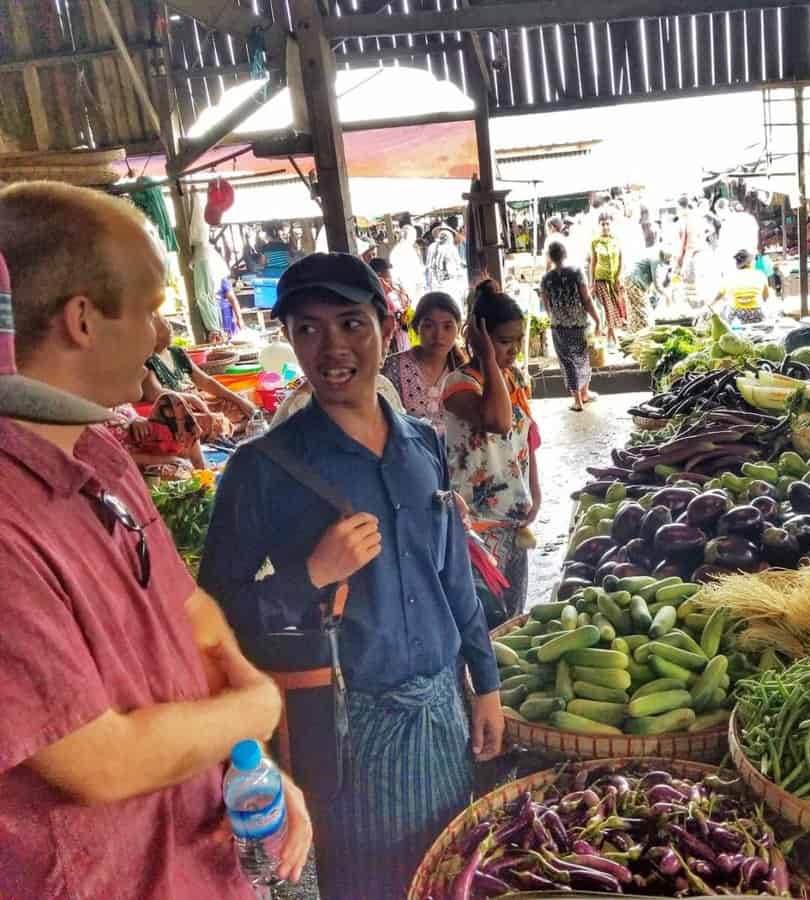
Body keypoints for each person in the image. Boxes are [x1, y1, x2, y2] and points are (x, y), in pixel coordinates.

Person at [0, 180, 312, 898]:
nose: (166, 336)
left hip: (198, 859)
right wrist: (258, 707)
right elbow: (98, 760)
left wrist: (246, 757)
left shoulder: (101, 452)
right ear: (82, 319)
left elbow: (189, 611)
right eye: (150, 310)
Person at [199, 253, 501, 898]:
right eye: (307, 329)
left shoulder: (422, 445)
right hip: (345, 735)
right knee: (371, 884)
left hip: (442, 717)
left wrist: (487, 683)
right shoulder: (262, 469)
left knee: (452, 874)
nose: (332, 347)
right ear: (289, 338)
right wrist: (309, 575)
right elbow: (209, 618)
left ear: (388, 327)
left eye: (350, 323)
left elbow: (455, 580)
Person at [443, 281, 540, 620]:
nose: (513, 350)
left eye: (517, 340)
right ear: (477, 337)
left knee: (513, 615)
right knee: (484, 616)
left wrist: (535, 494)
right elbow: (497, 420)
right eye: (502, 341)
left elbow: (528, 439)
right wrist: (486, 359)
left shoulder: (514, 377)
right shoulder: (459, 384)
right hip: (476, 519)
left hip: (512, 515)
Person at [142, 312, 256, 431]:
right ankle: (234, 428)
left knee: (240, 401)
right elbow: (153, 393)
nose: (169, 327)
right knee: (205, 422)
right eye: (163, 325)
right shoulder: (148, 361)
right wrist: (190, 398)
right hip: (183, 412)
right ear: (151, 335)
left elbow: (206, 382)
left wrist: (237, 400)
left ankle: (230, 426)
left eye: (167, 322)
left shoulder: (177, 353)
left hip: (201, 404)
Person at [381, 291, 466, 434]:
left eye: (447, 326)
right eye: (429, 326)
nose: (439, 335)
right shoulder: (393, 367)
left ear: (458, 329)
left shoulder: (463, 372)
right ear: (416, 327)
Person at [541, 243, 602, 411]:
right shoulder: (576, 272)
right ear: (565, 253)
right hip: (579, 324)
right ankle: (585, 392)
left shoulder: (546, 279)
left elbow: (546, 304)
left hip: (559, 327)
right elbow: (587, 300)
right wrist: (597, 320)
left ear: (550, 257)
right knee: (583, 358)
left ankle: (578, 400)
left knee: (567, 362)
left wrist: (556, 316)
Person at [590, 214, 626, 343]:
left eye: (607, 224)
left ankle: (611, 337)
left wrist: (619, 277)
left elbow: (621, 260)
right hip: (600, 280)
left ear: (611, 225)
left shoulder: (617, 240)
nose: (605, 226)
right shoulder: (595, 242)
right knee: (609, 309)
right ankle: (612, 338)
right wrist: (592, 283)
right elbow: (593, 263)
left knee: (615, 309)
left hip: (614, 281)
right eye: (603, 224)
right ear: (599, 226)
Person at [714, 248, 770, 324]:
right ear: (749, 262)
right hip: (757, 314)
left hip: (737, 315)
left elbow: (720, 294)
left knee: (725, 308)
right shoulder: (760, 274)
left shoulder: (730, 276)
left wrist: (711, 304)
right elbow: (766, 297)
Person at [369, 256, 411, 353]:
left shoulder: (389, 291)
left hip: (399, 338)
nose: (390, 276)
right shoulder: (378, 295)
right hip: (391, 343)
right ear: (379, 275)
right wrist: (399, 319)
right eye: (387, 272)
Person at [426, 224, 466, 302]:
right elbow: (458, 266)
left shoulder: (432, 247)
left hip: (435, 284)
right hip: (449, 284)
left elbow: (428, 266)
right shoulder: (451, 248)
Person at [388, 223, 426, 300]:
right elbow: (415, 269)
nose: (414, 239)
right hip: (409, 285)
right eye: (413, 236)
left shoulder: (397, 249)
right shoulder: (406, 249)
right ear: (409, 236)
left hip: (404, 286)